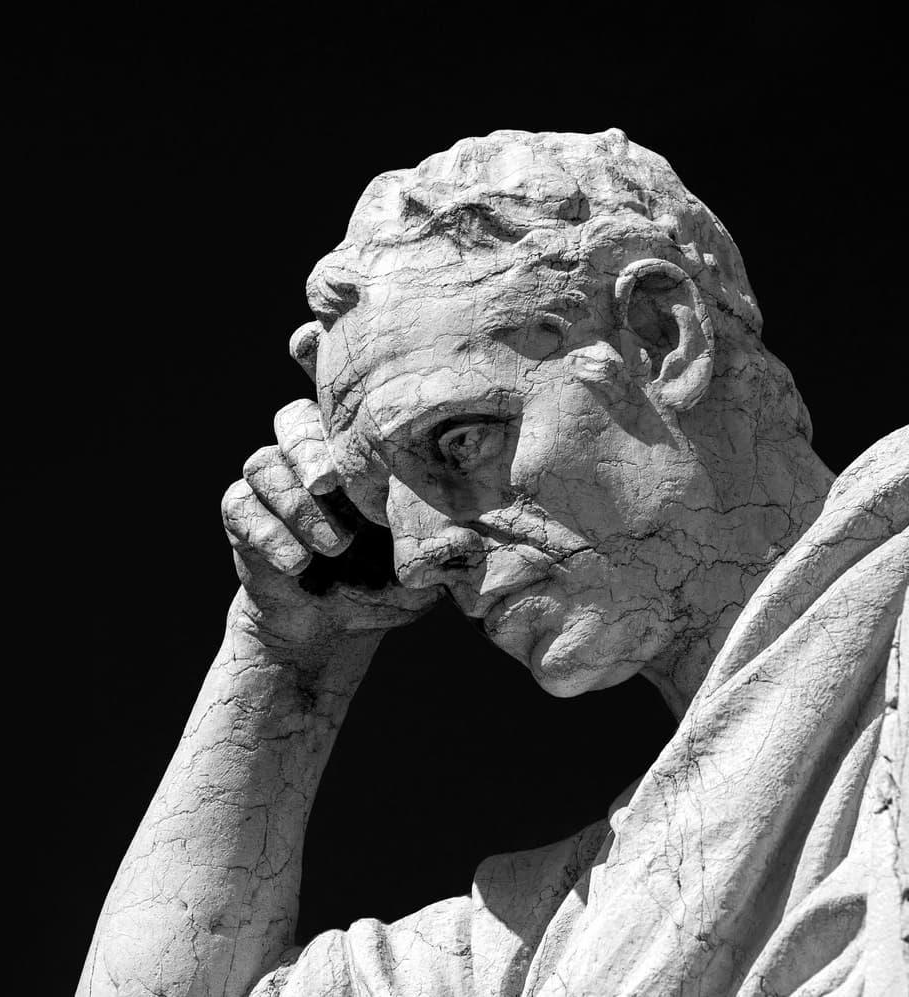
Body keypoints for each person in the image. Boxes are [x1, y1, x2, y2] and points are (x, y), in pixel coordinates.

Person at [75, 129, 907, 997]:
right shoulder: (551, 933)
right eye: (381, 501)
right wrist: (281, 654)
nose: (423, 552)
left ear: (665, 335)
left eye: (461, 439)